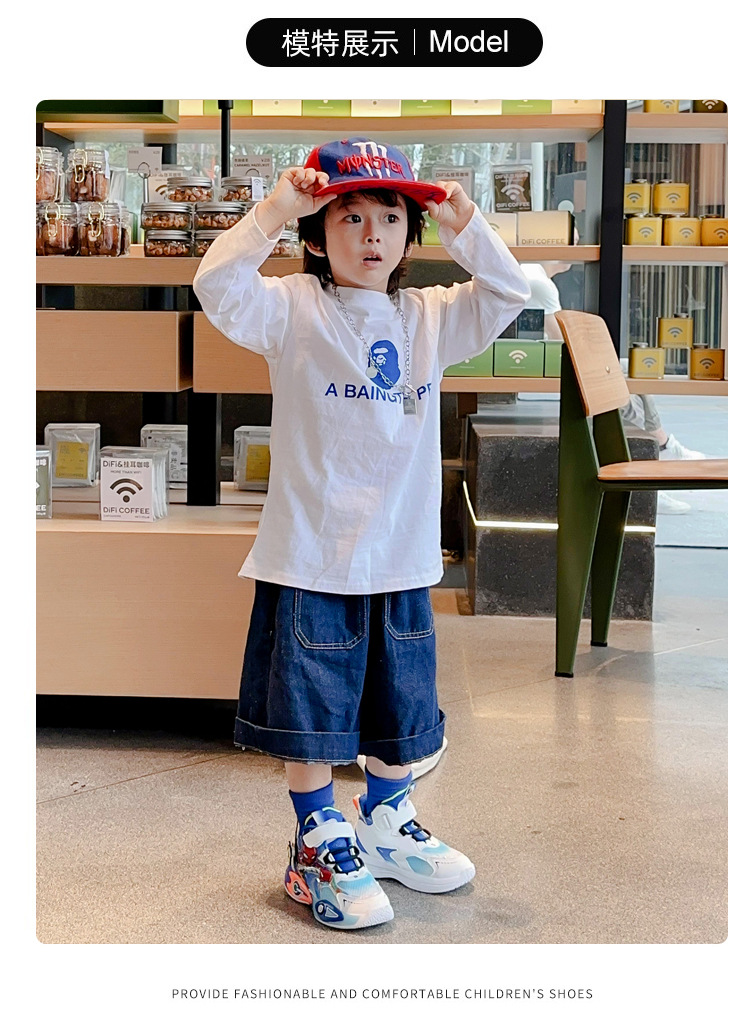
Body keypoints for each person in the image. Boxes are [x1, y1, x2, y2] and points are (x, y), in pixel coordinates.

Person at [193, 139, 530, 931]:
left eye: (390, 217)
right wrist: (276, 209)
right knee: (312, 708)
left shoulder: (431, 317)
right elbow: (216, 283)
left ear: (411, 237)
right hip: (313, 557)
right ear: (317, 234)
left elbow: (508, 290)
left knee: (399, 704)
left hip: (402, 557)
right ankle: (316, 836)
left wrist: (465, 224)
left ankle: (385, 818)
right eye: (350, 217)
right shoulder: (292, 308)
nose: (372, 234)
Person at [521, 260, 706, 514]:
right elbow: (560, 339)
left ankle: (659, 449)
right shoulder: (541, 282)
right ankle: (652, 467)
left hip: (540, 357)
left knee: (631, 372)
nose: (578, 245)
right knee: (621, 384)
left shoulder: (535, 274)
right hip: (541, 362)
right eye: (574, 241)